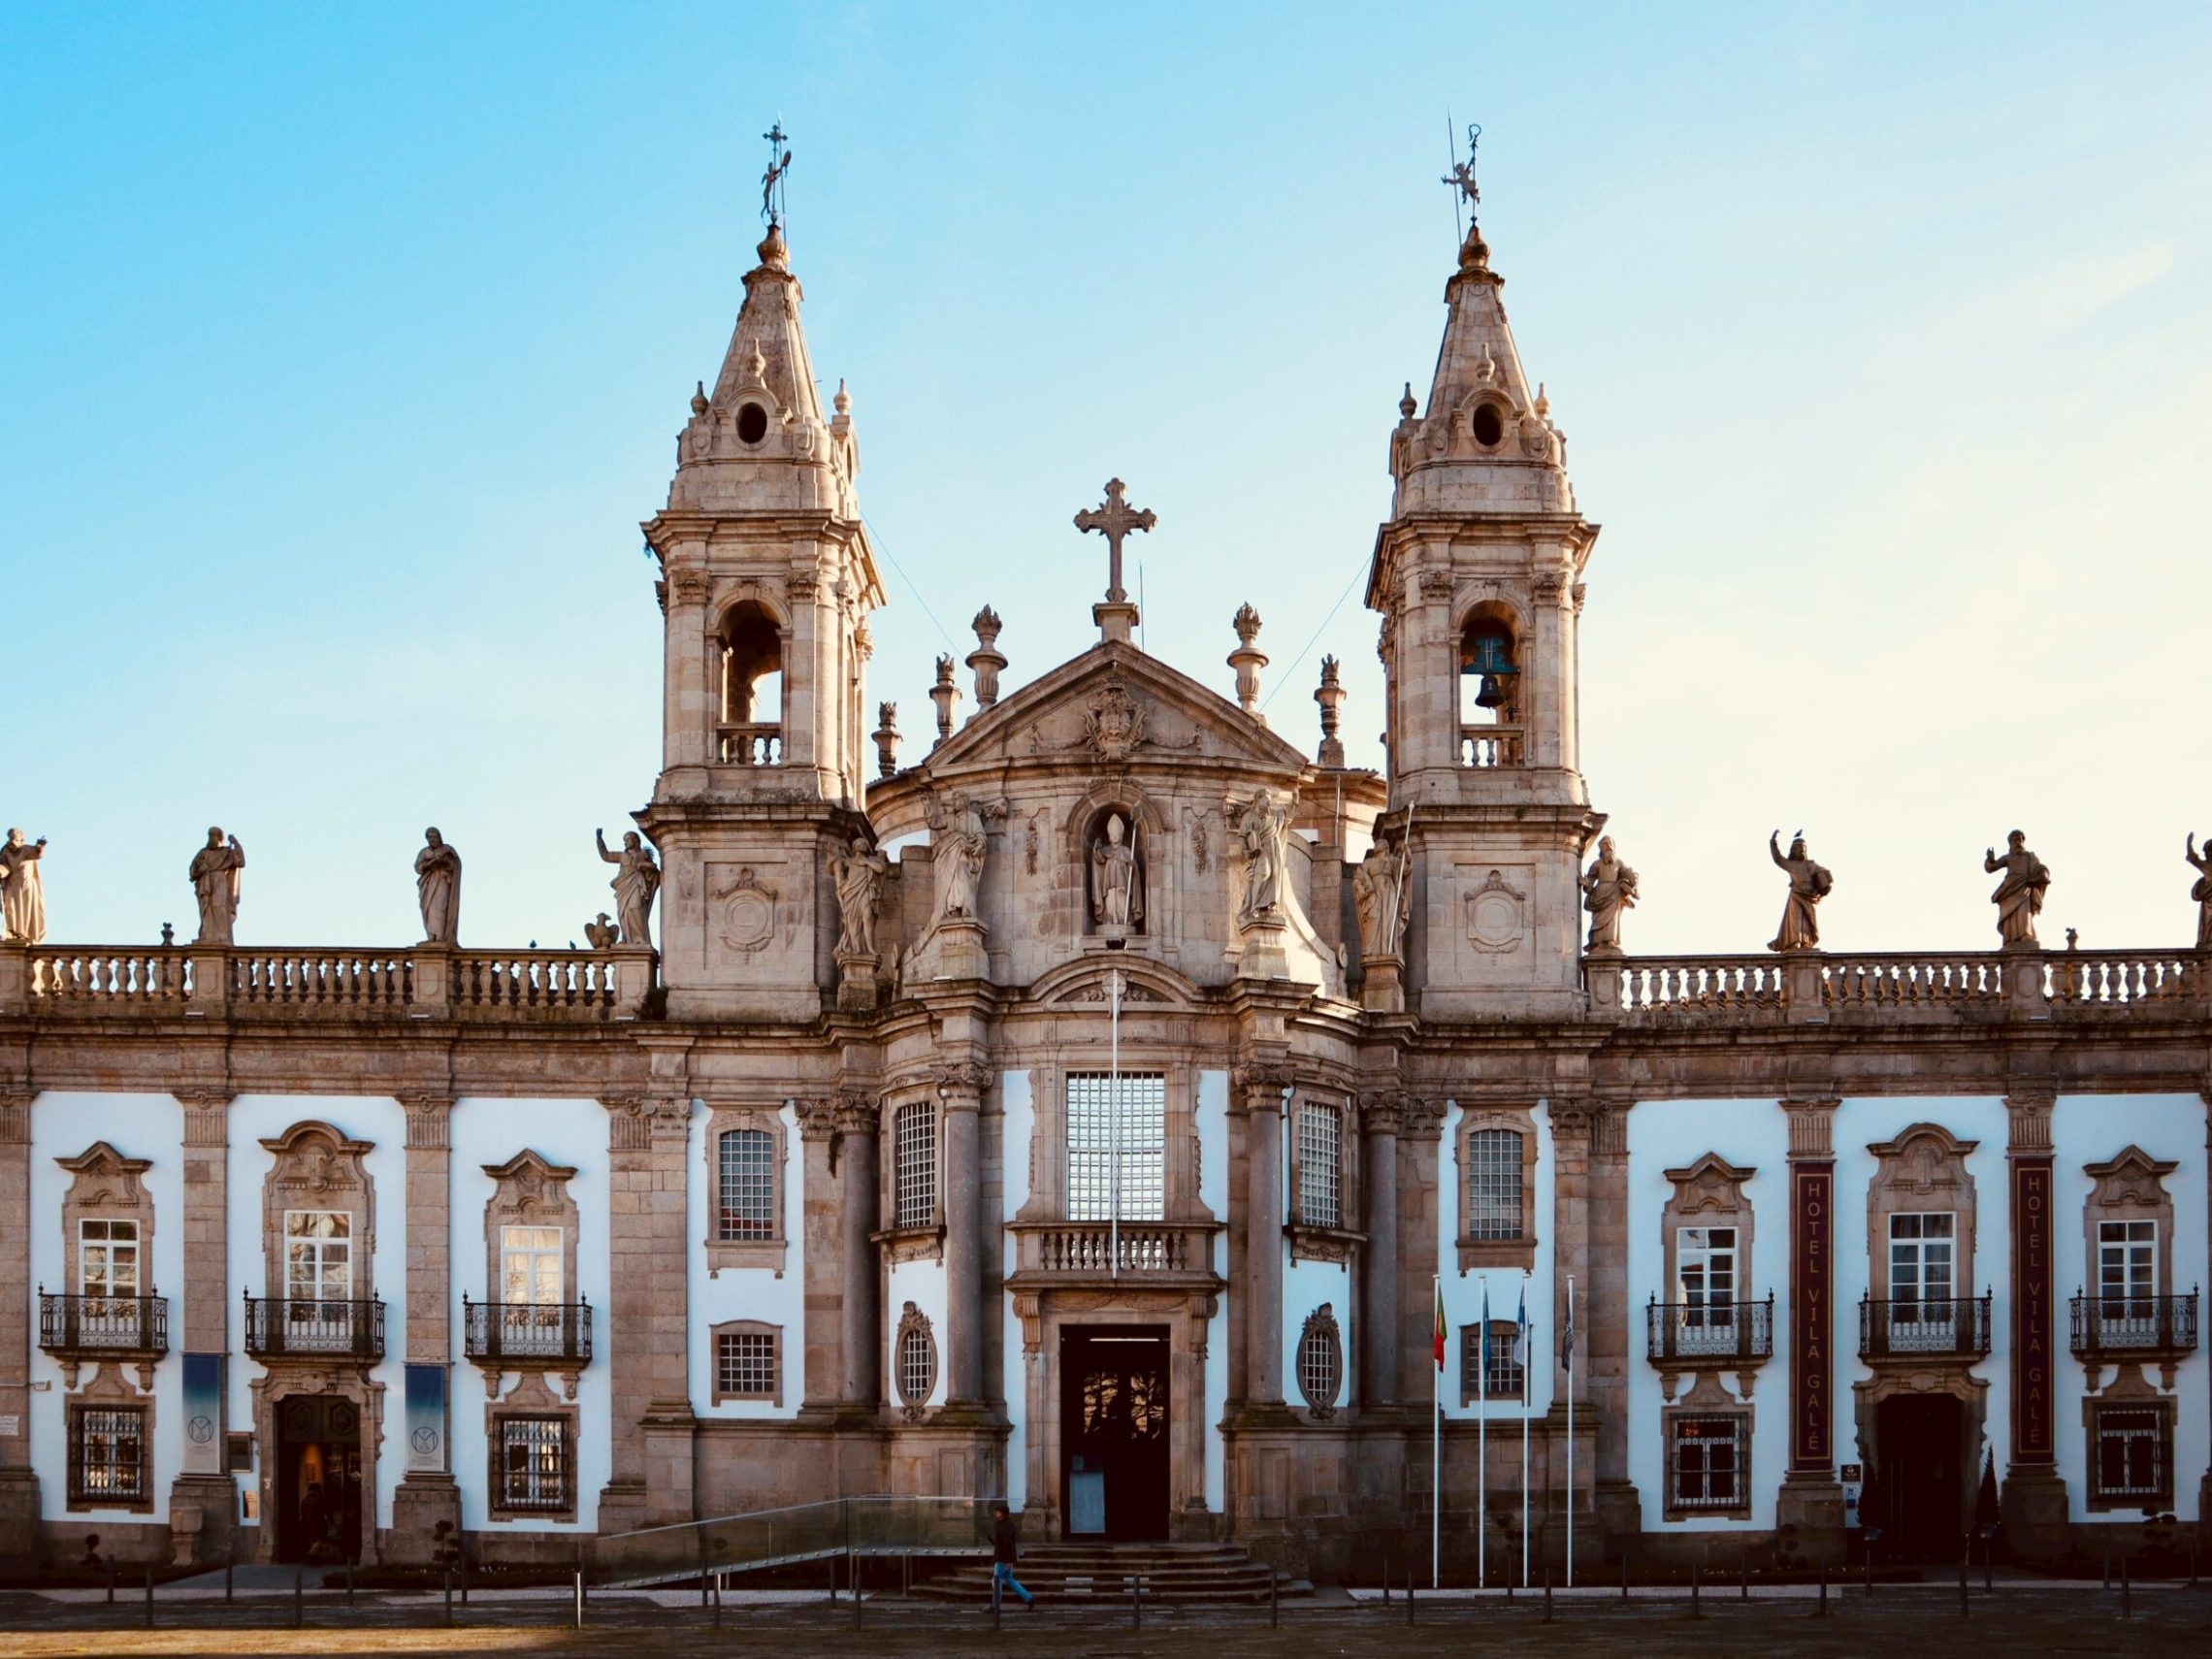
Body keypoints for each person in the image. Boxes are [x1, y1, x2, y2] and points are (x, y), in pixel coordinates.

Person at [1766, 830, 1833, 952]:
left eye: (1803, 847)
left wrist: (1827, 882)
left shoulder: (1811, 864)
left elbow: (1824, 873)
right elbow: (1778, 858)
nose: (1801, 849)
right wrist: (1773, 843)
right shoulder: (1791, 864)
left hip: (1810, 896)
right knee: (1796, 919)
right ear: (1793, 850)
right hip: (1796, 894)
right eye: (1798, 847)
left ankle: (1806, 942)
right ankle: (1795, 941)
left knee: (1808, 920)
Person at [1983, 830, 2051, 946]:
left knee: (2023, 911)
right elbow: (1992, 867)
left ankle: (2026, 936)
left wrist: (2042, 875)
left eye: (2020, 839)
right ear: (2010, 843)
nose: (2018, 842)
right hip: (2009, 888)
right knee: (2008, 914)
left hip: (2024, 886)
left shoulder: (2030, 856)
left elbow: (2041, 869)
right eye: (2015, 840)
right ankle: (2009, 939)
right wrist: (1989, 859)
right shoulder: (2008, 857)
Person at [596, 829, 661, 947]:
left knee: (635, 908)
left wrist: (643, 865)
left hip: (636, 884)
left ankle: (640, 939)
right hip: (623, 886)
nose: (625, 842)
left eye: (628, 839)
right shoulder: (621, 856)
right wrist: (599, 839)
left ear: (636, 841)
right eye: (624, 840)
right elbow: (606, 855)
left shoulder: (643, 854)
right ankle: (626, 939)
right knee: (623, 913)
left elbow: (654, 868)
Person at [188, 828, 245, 945]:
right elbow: (192, 869)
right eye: (209, 835)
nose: (211, 838)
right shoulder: (203, 852)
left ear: (220, 837)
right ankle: (207, 935)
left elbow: (240, 861)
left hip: (220, 880)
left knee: (219, 906)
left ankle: (222, 936)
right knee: (207, 908)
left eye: (213, 835)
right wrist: (200, 869)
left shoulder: (226, 852)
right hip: (205, 881)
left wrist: (236, 843)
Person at [414, 828, 462, 945]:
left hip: (442, 880)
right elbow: (418, 868)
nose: (432, 840)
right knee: (428, 908)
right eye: (429, 837)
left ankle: (440, 937)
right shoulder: (424, 852)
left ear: (439, 837)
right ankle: (431, 936)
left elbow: (455, 864)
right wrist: (429, 863)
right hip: (428, 883)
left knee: (440, 906)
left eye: (434, 837)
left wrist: (445, 860)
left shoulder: (447, 849)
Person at [0, 828, 47, 945]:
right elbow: (4, 866)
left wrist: (40, 847)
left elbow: (38, 854)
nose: (12, 842)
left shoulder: (26, 849)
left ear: (21, 839)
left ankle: (24, 933)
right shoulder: (5, 851)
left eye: (15, 839)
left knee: (25, 907)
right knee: (9, 907)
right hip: (11, 883)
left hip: (26, 885)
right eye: (10, 838)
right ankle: (12, 932)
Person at [990, 1500, 1035, 1609]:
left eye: (998, 1511)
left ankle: (995, 1605)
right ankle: (1029, 1598)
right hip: (1004, 1557)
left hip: (1002, 1558)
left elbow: (1008, 1544)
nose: (996, 1513)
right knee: (1009, 1579)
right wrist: (992, 1540)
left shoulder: (1006, 1526)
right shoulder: (1003, 1524)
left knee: (996, 1580)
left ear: (1003, 1513)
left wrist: (1008, 1560)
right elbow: (1001, 1542)